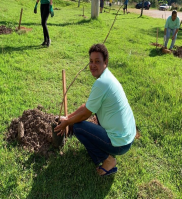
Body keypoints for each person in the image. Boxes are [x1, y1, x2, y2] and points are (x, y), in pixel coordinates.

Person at [54, 44, 136, 176]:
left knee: (79, 127)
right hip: (127, 136)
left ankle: (108, 160)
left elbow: (86, 114)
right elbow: (87, 106)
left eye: (97, 61)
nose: (93, 65)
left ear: (106, 62)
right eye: (91, 61)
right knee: (78, 123)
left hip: (120, 143)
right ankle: (104, 153)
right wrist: (67, 117)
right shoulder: (107, 77)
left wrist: (68, 123)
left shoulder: (102, 83)